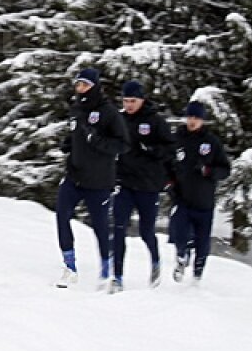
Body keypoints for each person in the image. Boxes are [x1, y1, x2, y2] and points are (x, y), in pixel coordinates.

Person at [53, 68, 127, 289]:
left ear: (95, 86)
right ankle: (69, 265)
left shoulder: (109, 112)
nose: (80, 89)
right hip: (74, 175)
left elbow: (122, 144)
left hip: (99, 180)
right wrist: (69, 143)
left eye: (85, 85)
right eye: (78, 84)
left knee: (100, 226)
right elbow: (77, 133)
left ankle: (106, 267)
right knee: (62, 215)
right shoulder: (76, 109)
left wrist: (97, 141)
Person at [112, 79, 175, 290]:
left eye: (133, 100)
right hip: (125, 182)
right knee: (118, 227)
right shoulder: (119, 119)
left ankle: (156, 262)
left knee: (146, 232)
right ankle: (117, 276)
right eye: (126, 100)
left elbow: (169, 149)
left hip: (148, 184)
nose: (129, 105)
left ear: (142, 100)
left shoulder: (155, 121)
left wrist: (151, 149)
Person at [168, 101, 231, 283]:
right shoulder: (177, 138)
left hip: (204, 201)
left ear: (203, 120)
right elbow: (166, 163)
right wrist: (168, 182)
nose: (192, 121)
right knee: (180, 234)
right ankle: (181, 257)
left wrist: (208, 171)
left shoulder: (211, 142)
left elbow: (225, 170)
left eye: (196, 118)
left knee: (202, 243)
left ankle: (197, 276)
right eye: (190, 117)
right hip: (182, 197)